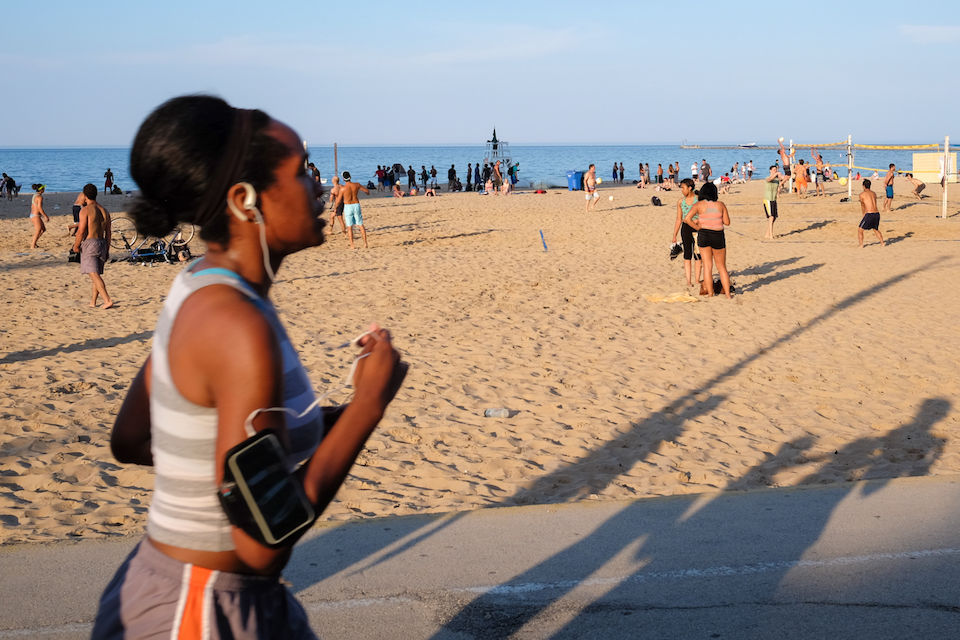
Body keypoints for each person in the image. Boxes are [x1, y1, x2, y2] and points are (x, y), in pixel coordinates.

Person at [91, 95, 406, 639]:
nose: (319, 186)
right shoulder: (239, 326)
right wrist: (366, 409)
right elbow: (261, 545)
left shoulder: (198, 283)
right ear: (244, 201)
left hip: (179, 586)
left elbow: (133, 436)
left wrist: (314, 425)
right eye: (302, 171)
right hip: (202, 611)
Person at [683, 181, 731, 298]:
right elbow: (727, 222)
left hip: (704, 235)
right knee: (721, 267)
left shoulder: (699, 205)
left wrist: (697, 226)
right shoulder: (720, 205)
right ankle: (728, 295)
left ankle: (710, 293)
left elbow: (687, 219)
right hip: (718, 235)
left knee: (707, 266)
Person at [71, 183, 114, 308]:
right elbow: (109, 232)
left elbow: (81, 231)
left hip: (91, 243)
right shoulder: (104, 210)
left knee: (93, 274)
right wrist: (107, 248)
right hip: (103, 243)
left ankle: (107, 300)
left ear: (85, 196)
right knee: (96, 274)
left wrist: (76, 245)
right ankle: (93, 302)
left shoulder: (86, 210)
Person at [671, 178, 702, 287]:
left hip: (697, 228)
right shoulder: (680, 202)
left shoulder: (698, 199)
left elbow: (703, 214)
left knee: (698, 254)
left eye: (683, 188)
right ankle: (689, 281)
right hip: (685, 228)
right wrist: (674, 234)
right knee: (687, 254)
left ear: (690, 188)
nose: (682, 190)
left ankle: (697, 279)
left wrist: (698, 220)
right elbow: (678, 219)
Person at [334, 171, 370, 249]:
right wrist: (367, 193)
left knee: (349, 226)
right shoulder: (357, 185)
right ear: (350, 177)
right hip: (356, 204)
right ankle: (365, 244)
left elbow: (338, 201)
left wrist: (335, 208)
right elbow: (367, 191)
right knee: (360, 224)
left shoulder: (343, 189)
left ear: (343, 179)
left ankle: (352, 245)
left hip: (348, 206)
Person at [858, 179, 885, 248]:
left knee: (860, 230)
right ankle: (882, 243)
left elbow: (863, 205)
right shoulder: (874, 193)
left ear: (863, 186)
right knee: (875, 229)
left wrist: (863, 213)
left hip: (869, 214)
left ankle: (861, 245)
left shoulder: (861, 195)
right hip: (877, 213)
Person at [29, 184, 50, 249]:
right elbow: (39, 208)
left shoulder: (35, 195)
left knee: (43, 229)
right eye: (43, 188)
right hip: (36, 216)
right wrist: (45, 216)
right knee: (38, 230)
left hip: (33, 215)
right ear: (41, 189)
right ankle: (32, 245)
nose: (44, 189)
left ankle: (34, 243)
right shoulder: (40, 197)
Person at [763, 165, 780, 240]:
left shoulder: (777, 180)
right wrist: (776, 174)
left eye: (776, 170)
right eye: (773, 170)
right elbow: (769, 179)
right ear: (770, 171)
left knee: (774, 217)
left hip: (774, 199)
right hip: (767, 199)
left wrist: (787, 176)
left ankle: (767, 233)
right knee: (771, 217)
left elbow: (782, 180)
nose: (775, 171)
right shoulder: (767, 178)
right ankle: (771, 235)